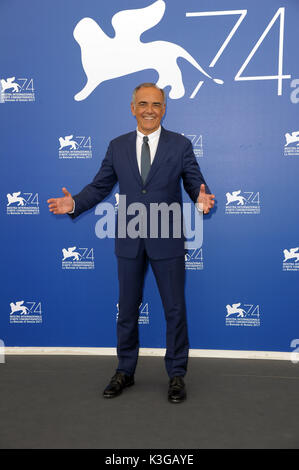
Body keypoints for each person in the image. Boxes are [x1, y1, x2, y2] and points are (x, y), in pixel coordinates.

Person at [47, 83, 215, 403]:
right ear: (132, 108)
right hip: (129, 240)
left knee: (175, 310)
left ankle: (177, 375)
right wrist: (76, 204)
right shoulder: (117, 146)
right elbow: (100, 186)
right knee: (126, 310)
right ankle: (125, 370)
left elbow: (195, 182)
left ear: (164, 108)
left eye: (155, 104)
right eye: (143, 104)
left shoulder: (180, 145)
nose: (149, 109)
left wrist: (200, 198)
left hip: (167, 239)